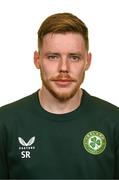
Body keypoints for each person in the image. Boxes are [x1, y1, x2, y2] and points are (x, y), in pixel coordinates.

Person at [0, 12, 119, 179]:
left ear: (88, 61)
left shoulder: (114, 122)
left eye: (74, 57)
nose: (64, 67)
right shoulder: (5, 122)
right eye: (53, 57)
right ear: (37, 60)